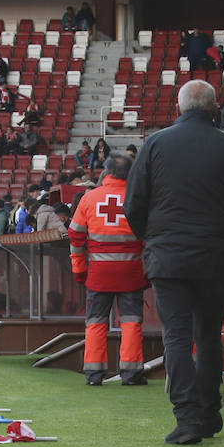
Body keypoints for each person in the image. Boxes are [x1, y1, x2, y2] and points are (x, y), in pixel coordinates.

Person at [123, 79, 224, 444]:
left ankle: (187, 418)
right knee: (209, 336)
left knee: (177, 338)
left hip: (167, 258)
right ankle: (210, 412)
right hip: (215, 256)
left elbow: (133, 204)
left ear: (179, 108)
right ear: (215, 110)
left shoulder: (154, 144)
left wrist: (153, 239)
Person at [69, 152, 148, 386]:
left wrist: (79, 268)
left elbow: (75, 236)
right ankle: (131, 374)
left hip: (98, 274)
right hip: (131, 273)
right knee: (132, 322)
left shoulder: (89, 198)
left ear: (108, 171)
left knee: (95, 321)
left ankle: (93, 374)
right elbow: (149, 237)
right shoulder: (139, 199)